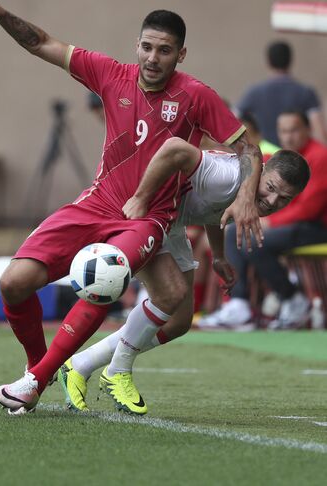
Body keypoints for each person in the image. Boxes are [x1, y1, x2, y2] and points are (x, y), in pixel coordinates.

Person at [0, 0, 263, 415]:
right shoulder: (109, 73)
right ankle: (37, 368)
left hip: (149, 219)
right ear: (136, 46)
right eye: (147, 47)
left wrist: (249, 197)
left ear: (181, 55)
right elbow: (43, 43)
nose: (153, 58)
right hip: (97, 202)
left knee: (108, 278)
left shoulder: (195, 95)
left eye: (164, 50)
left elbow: (248, 149)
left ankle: (36, 382)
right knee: (13, 283)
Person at [57, 140, 309, 414]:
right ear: (261, 170)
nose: (272, 201)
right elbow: (174, 148)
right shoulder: (228, 176)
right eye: (271, 188)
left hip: (171, 221)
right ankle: (116, 369)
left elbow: (214, 209)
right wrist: (141, 198)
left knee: (178, 322)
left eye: (284, 198)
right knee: (170, 294)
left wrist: (219, 255)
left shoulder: (246, 193)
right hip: (147, 212)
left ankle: (78, 365)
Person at [219, 110, 327, 330]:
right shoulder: (279, 158)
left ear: (308, 129)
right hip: (292, 225)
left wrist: (271, 222)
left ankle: (292, 298)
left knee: (257, 239)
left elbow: (309, 209)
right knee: (233, 231)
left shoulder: (321, 156)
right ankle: (239, 304)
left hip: (317, 227)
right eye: (283, 131)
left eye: (294, 130)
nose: (288, 137)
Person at [235, 41, 326, 145]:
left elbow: (232, 120)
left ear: (268, 62)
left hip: (267, 156)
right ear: (291, 60)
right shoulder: (306, 92)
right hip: (297, 157)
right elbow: (319, 133)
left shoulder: (254, 93)